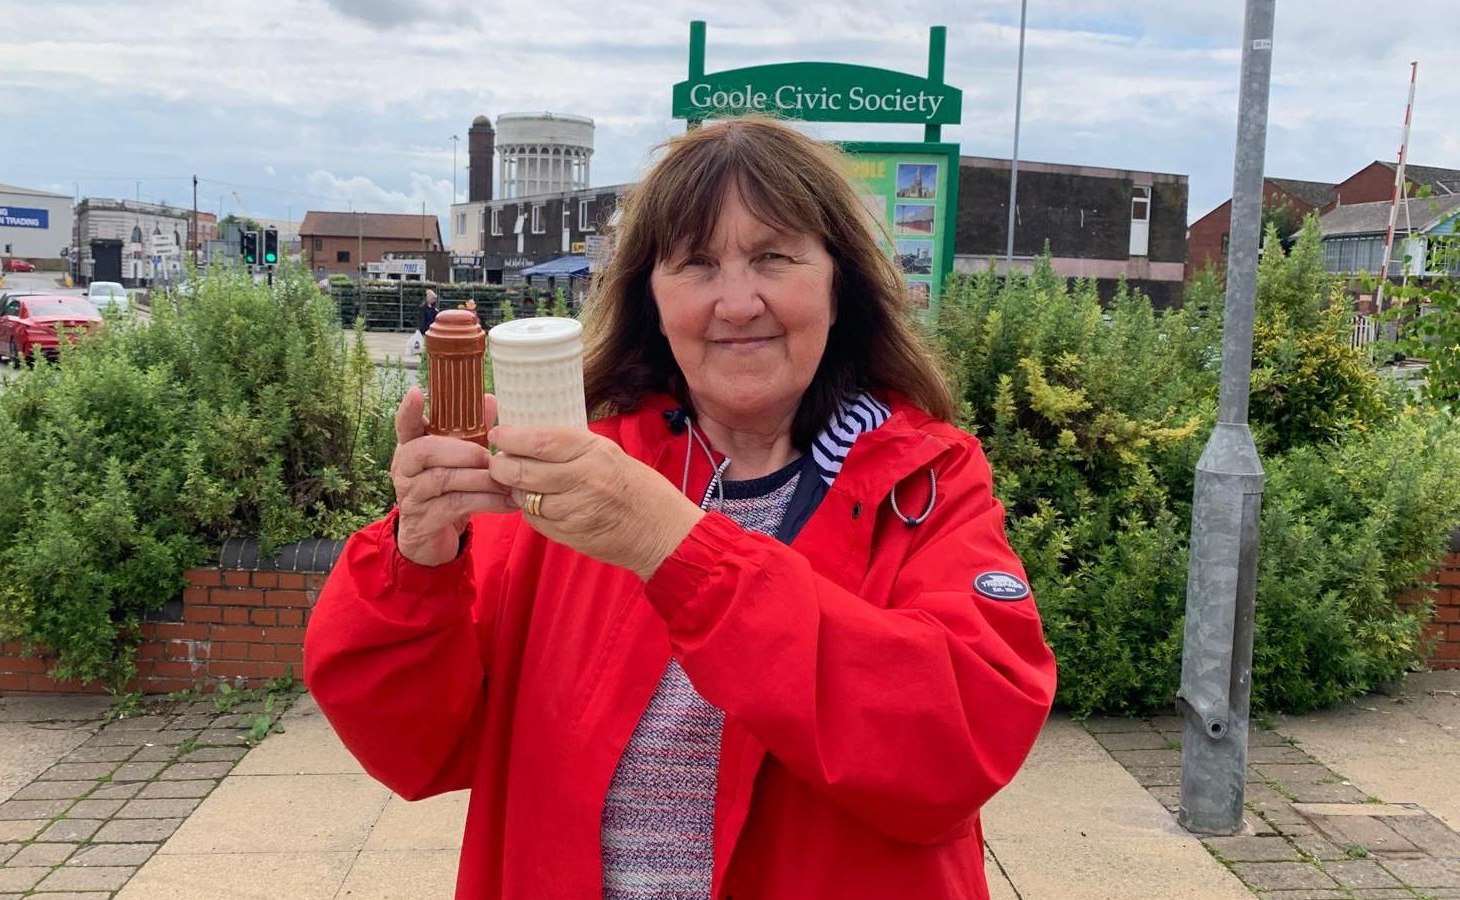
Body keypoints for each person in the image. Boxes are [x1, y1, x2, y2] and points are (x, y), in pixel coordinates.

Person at [305, 116, 1056, 899]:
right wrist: (419, 562)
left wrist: (674, 544)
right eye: (697, 264)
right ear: (652, 300)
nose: (737, 303)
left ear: (840, 284)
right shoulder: (576, 469)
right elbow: (420, 749)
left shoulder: (927, 480)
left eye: (773, 256)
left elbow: (959, 744)